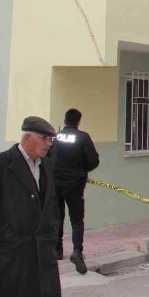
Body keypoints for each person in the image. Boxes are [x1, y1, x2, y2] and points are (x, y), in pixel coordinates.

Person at [0, 116, 61, 297]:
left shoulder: (48, 167)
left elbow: (51, 205)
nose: (49, 144)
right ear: (27, 138)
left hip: (41, 255)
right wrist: (6, 236)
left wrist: (51, 234)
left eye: (51, 139)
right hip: (9, 254)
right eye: (44, 138)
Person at [52, 108, 100, 274]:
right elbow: (93, 161)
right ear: (78, 121)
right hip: (75, 184)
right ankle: (77, 251)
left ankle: (57, 249)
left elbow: (46, 157)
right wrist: (81, 169)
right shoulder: (82, 137)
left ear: (65, 120)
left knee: (57, 215)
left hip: (55, 183)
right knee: (76, 219)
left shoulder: (55, 137)